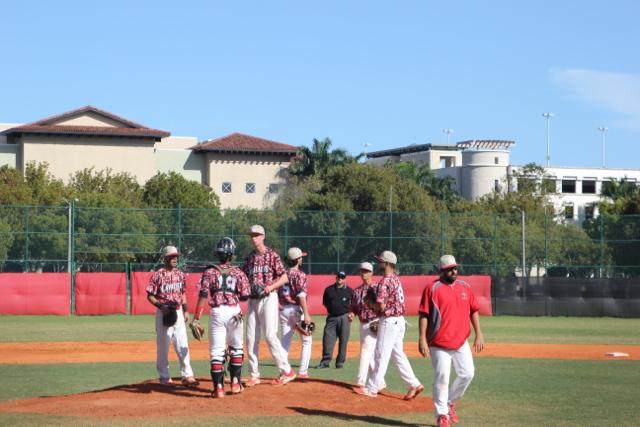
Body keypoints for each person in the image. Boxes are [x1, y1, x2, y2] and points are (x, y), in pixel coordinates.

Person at [418, 255, 485, 427]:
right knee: (442, 378)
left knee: (468, 373)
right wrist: (422, 339)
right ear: (441, 270)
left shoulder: (465, 287)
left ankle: (449, 402)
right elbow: (424, 314)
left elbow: (474, 310)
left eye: (455, 268)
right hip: (439, 342)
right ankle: (441, 415)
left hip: (461, 340)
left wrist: (479, 334)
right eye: (449, 269)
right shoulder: (432, 288)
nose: (453, 271)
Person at [354, 250, 423, 400]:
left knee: (380, 354)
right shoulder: (396, 279)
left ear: (386, 264)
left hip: (389, 321)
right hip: (400, 322)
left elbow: (382, 307)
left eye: (380, 261)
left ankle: (372, 388)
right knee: (397, 354)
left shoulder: (384, 281)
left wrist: (371, 305)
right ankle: (414, 383)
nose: (378, 263)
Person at [191, 237, 250, 398]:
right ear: (231, 255)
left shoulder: (209, 271)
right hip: (234, 312)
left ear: (218, 254)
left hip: (217, 312)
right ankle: (236, 383)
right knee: (236, 348)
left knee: (217, 351)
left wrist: (196, 318)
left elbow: (203, 295)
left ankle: (218, 388)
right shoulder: (238, 272)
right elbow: (245, 296)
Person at [243, 225, 296, 386]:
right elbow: (244, 277)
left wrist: (269, 287)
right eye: (252, 234)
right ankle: (254, 375)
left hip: (269, 297)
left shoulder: (272, 255)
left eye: (257, 235)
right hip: (253, 300)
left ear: (263, 236)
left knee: (270, 334)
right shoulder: (250, 257)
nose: (254, 237)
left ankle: (286, 370)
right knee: (251, 338)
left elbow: (284, 277)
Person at [146, 245, 198, 387]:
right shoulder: (158, 275)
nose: (175, 259)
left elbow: (182, 293)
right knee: (163, 346)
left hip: (178, 311)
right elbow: (150, 295)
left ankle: (187, 375)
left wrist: (186, 310)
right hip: (164, 312)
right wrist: (160, 306)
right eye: (172, 257)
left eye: (176, 257)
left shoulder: (180, 274)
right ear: (165, 258)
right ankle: (164, 376)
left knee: (182, 344)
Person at [349, 262, 386, 392]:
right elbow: (354, 307)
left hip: (375, 322)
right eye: (362, 271)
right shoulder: (357, 291)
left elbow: (383, 306)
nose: (363, 273)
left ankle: (360, 381)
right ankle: (380, 382)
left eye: (366, 271)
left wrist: (380, 319)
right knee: (369, 354)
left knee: (365, 351)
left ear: (371, 273)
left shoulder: (377, 288)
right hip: (363, 324)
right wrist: (352, 314)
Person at [278, 247, 313, 378]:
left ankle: (283, 372)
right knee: (306, 340)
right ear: (297, 260)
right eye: (301, 257)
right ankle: (303, 372)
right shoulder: (300, 274)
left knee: (285, 341)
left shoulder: (283, 274)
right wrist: (307, 314)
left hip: (283, 310)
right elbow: (301, 296)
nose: (302, 259)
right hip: (296, 310)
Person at [317, 271, 353, 369]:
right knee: (327, 340)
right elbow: (325, 303)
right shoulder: (329, 290)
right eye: (339, 277)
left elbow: (353, 304)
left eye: (342, 277)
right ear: (336, 277)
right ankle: (325, 362)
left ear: (345, 279)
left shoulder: (349, 291)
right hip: (331, 317)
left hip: (344, 317)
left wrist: (351, 313)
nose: (340, 279)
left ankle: (340, 363)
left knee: (343, 340)